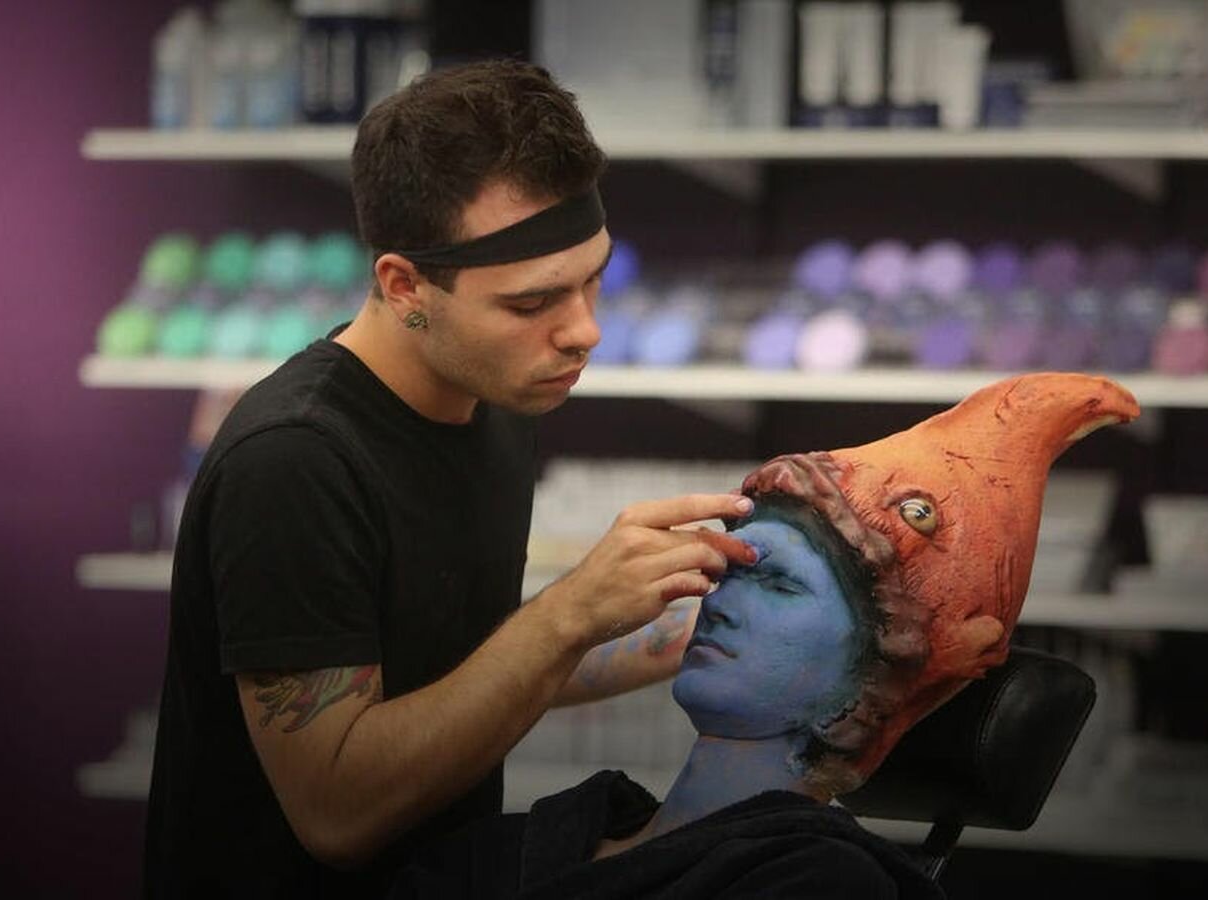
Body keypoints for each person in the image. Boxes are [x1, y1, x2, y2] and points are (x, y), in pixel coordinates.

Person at [143, 59, 755, 898]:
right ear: (406, 287)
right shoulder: (294, 464)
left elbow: (461, 671)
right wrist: (568, 611)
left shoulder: (490, 396)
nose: (584, 331)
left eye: (594, 280)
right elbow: (336, 814)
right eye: (532, 303)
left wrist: (694, 629)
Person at [389, 373, 1141, 899]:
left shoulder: (814, 885)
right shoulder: (522, 846)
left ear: (883, 671)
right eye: (727, 570)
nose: (719, 599)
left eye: (778, 584)